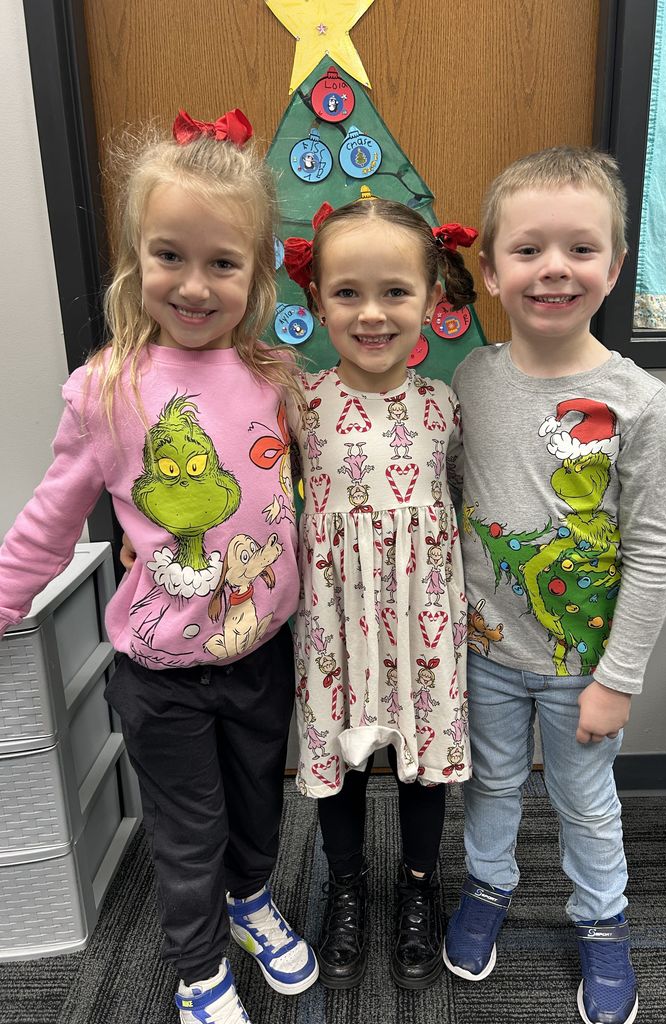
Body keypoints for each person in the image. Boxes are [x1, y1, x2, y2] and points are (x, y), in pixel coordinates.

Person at [0, 109, 318, 1024]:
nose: (193, 283)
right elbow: (52, 515)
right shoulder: (107, 388)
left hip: (261, 655)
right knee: (188, 831)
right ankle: (196, 968)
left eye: (222, 263)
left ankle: (252, 900)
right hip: (161, 672)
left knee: (261, 807)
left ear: (256, 276)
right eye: (169, 255)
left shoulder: (274, 375)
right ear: (135, 262)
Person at [442, 147, 666, 1024]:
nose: (554, 269)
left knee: (586, 799)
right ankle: (490, 887)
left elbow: (654, 549)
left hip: (586, 666)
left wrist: (619, 678)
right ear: (493, 272)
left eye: (581, 249)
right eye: (529, 249)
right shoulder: (470, 381)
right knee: (493, 785)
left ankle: (602, 919)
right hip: (487, 652)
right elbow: (456, 497)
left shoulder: (639, 400)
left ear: (614, 266)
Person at [281, 198, 476, 990]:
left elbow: (460, 498)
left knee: (423, 766)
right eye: (347, 293)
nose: (371, 313)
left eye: (395, 291)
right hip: (333, 621)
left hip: (423, 619)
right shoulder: (298, 404)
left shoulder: (444, 406)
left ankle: (420, 891)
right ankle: (348, 886)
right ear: (317, 301)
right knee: (344, 761)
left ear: (432, 299)